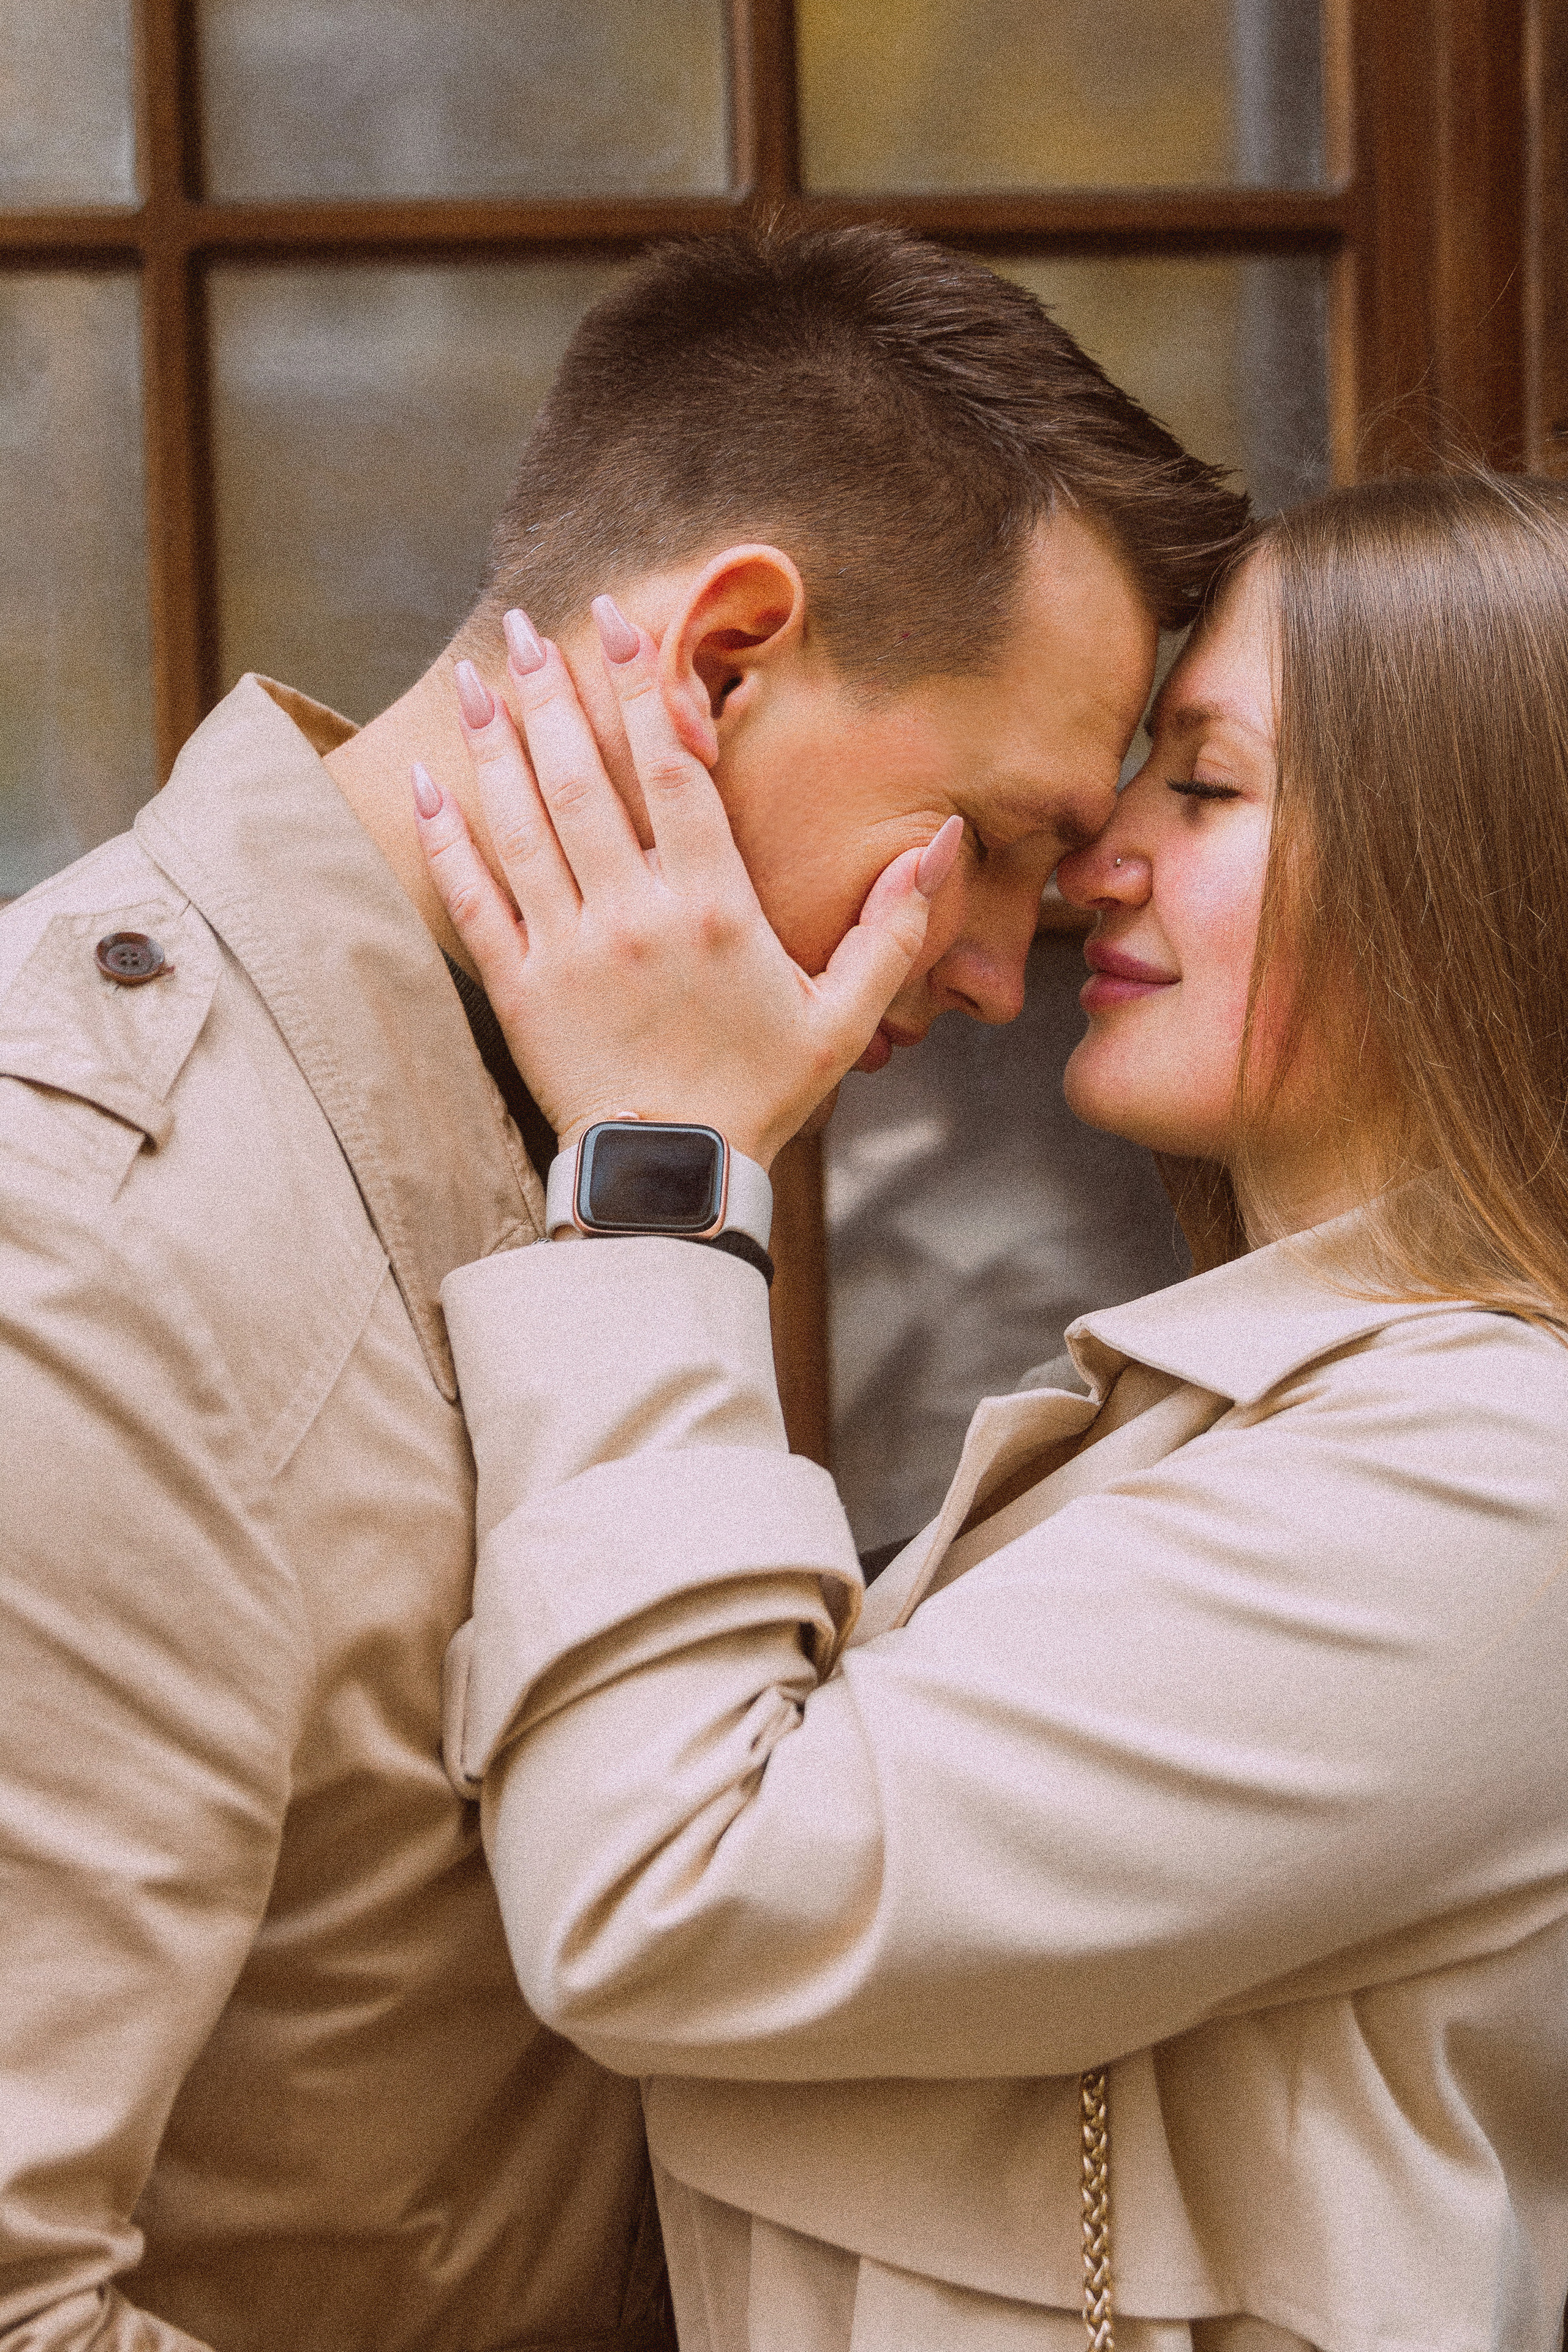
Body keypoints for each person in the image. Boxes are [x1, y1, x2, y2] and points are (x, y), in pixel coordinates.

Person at [0, 225, 1246, 2352]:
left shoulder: (597, 1139)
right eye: (1000, 841)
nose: (988, 967)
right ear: (724, 663)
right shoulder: (102, 1250)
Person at [418, 470, 1568, 2352]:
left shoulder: (1500, 1479)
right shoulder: (1262, 1415)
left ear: (1472, 870)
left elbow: (672, 1896)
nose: (1097, 856)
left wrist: (663, 1173)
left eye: (1206, 785)